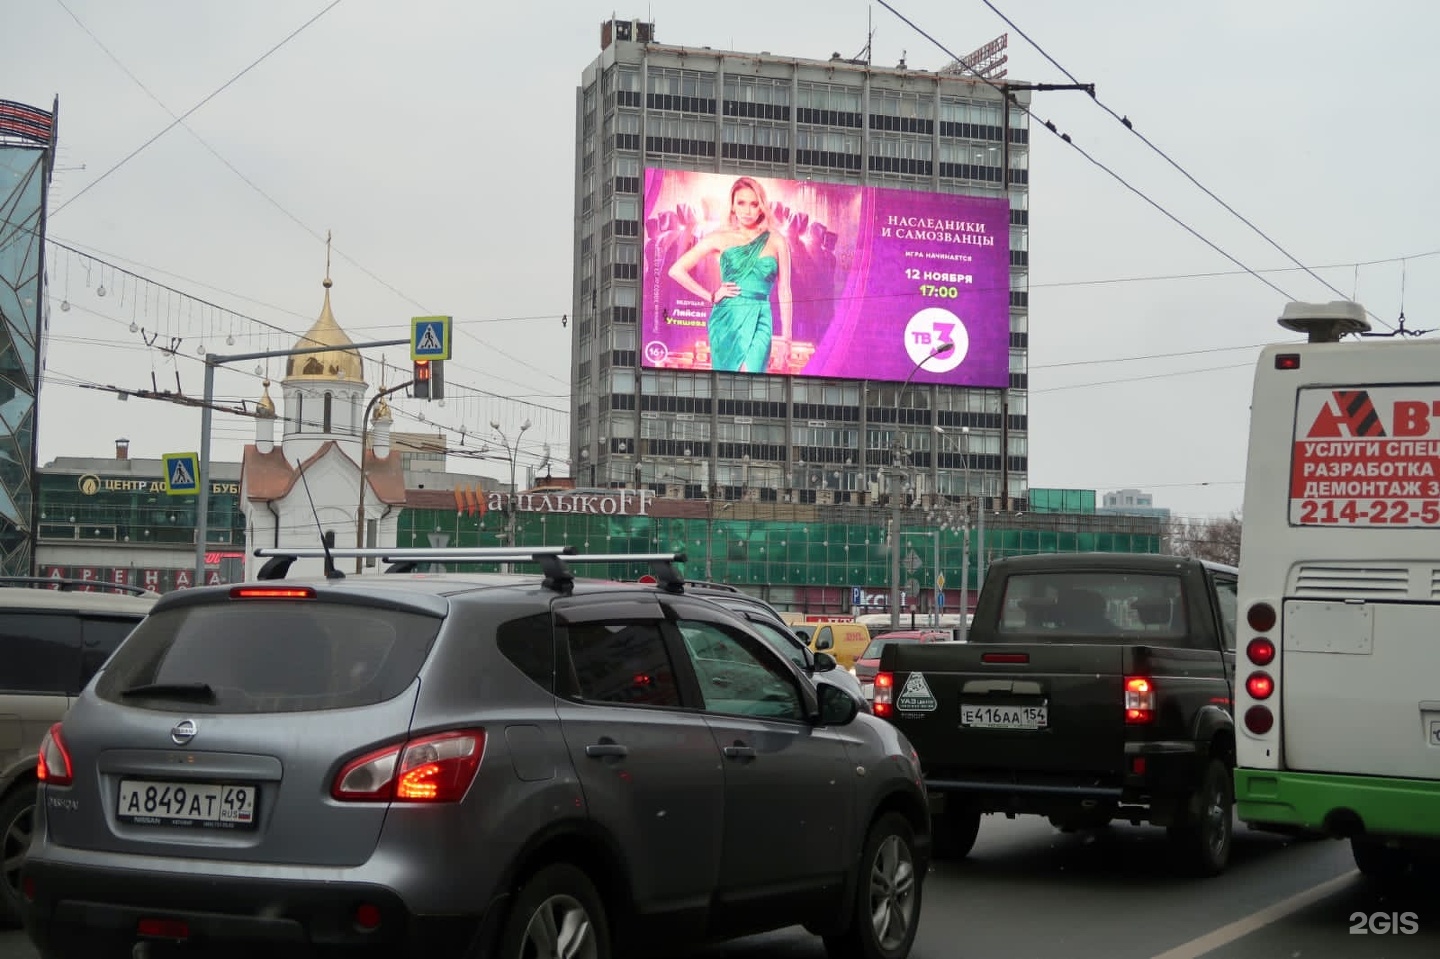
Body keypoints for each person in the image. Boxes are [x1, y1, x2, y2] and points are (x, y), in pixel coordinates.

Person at [667, 176, 793, 373]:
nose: (747, 210)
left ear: (761, 207)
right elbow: (676, 270)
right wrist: (711, 295)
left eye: (753, 204)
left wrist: (787, 338)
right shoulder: (719, 237)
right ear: (732, 206)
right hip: (728, 317)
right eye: (741, 203)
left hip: (761, 316)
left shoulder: (776, 240)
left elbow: (785, 290)